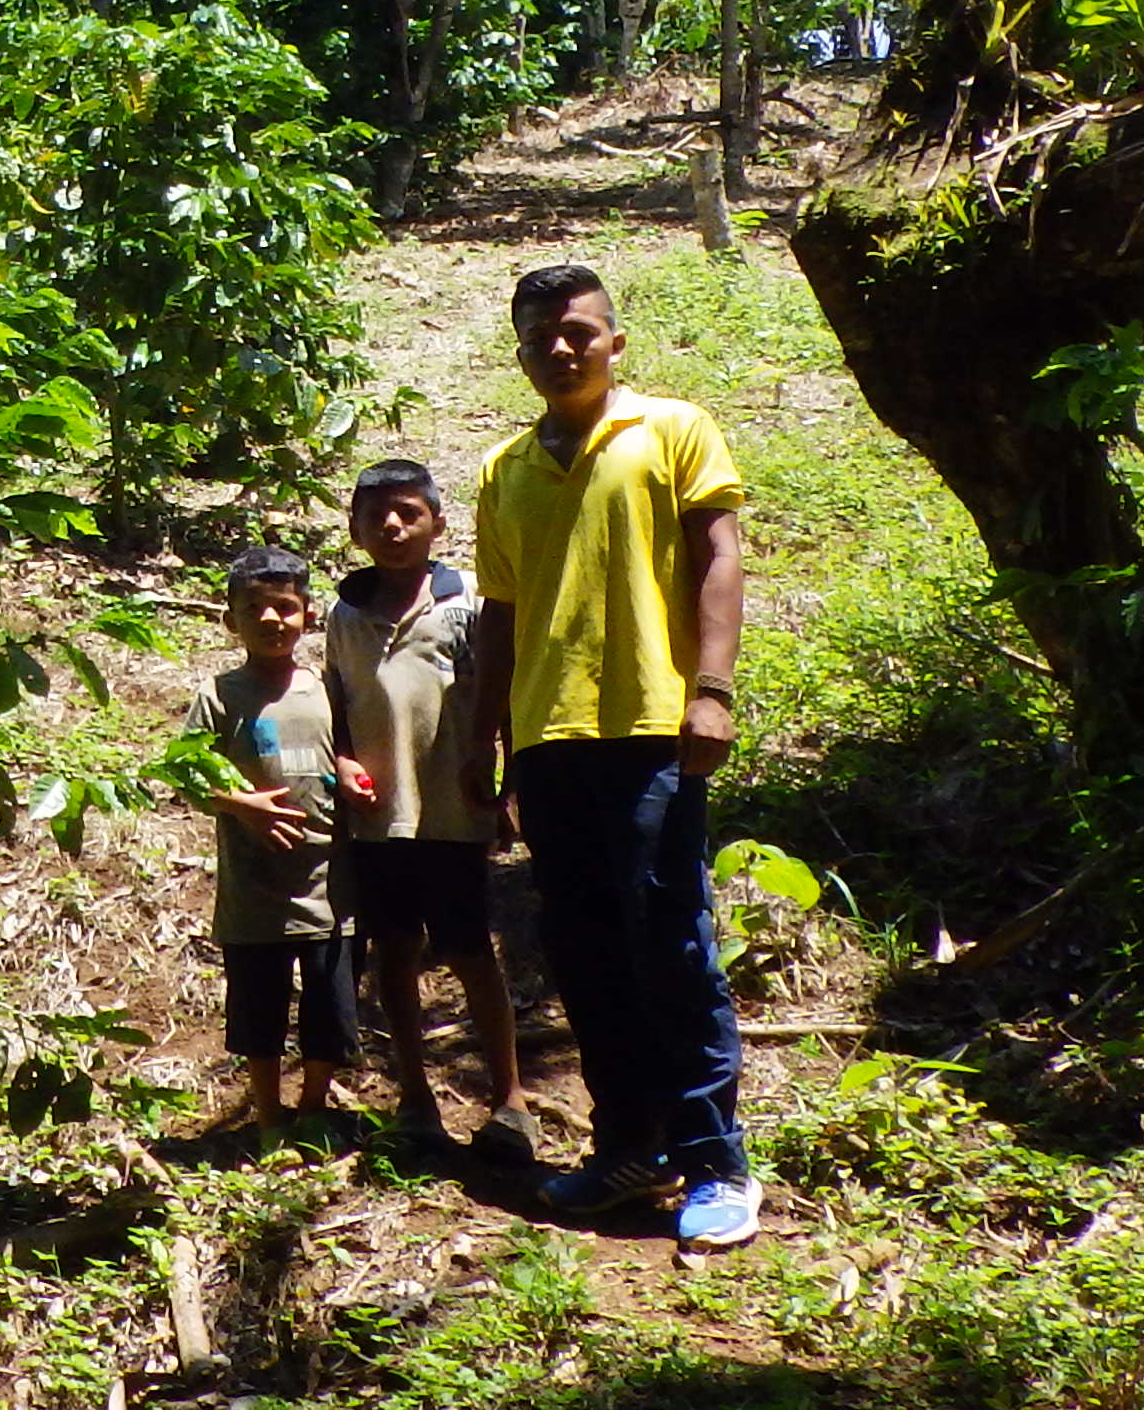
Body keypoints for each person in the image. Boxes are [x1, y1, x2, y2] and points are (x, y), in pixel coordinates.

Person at [466, 260, 762, 1251]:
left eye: (579, 333)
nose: (560, 349)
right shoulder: (504, 469)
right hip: (549, 741)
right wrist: (487, 742)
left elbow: (719, 555)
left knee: (672, 941)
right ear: (520, 352)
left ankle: (716, 1160)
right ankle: (627, 1149)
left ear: (614, 341)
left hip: (652, 726)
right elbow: (499, 620)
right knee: (586, 954)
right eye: (541, 337)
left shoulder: (672, 430)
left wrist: (710, 692)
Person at [322, 457, 533, 1163]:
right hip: (380, 818)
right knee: (395, 948)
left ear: (438, 523)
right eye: (376, 514)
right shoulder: (344, 615)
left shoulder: (469, 602)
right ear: (354, 529)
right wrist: (344, 762)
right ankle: (415, 1098)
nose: (392, 524)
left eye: (409, 511)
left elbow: (504, 692)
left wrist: (506, 786)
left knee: (472, 950)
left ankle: (510, 1100)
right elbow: (335, 707)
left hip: (454, 811)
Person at [186, 545, 349, 1132]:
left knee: (329, 1003)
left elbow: (346, 751)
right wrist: (242, 805)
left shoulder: (328, 688)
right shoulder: (220, 694)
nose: (271, 619)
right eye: (253, 607)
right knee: (260, 1007)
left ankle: (312, 1106)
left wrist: (352, 771)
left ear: (308, 613)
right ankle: (269, 1113)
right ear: (231, 619)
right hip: (254, 888)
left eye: (284, 606)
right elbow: (183, 772)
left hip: (329, 885)